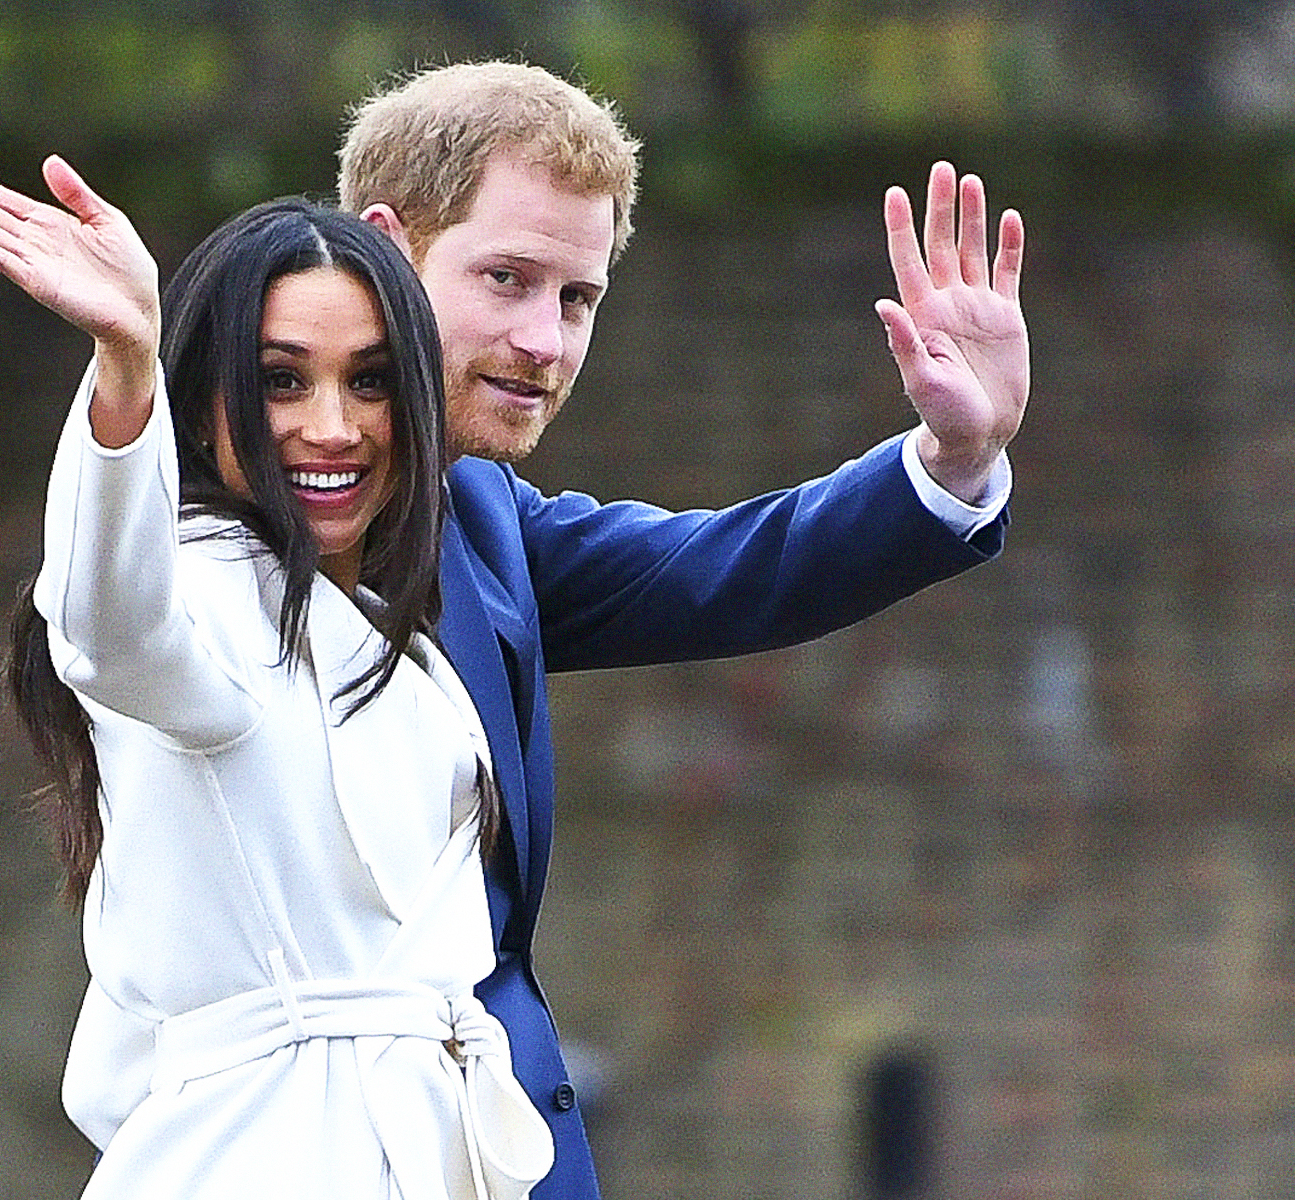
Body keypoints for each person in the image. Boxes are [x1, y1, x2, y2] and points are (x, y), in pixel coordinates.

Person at [333, 62, 1030, 1199]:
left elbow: (727, 567)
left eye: (576, 299)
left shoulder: (487, 515)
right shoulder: (214, 513)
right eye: (505, 278)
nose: (544, 341)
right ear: (386, 247)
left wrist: (957, 461)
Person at [0, 158, 557, 1198]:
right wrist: (125, 364)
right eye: (281, 380)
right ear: (205, 399)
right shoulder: (207, 596)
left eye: (372, 379)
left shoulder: (404, 636)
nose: (332, 427)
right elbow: (111, 621)